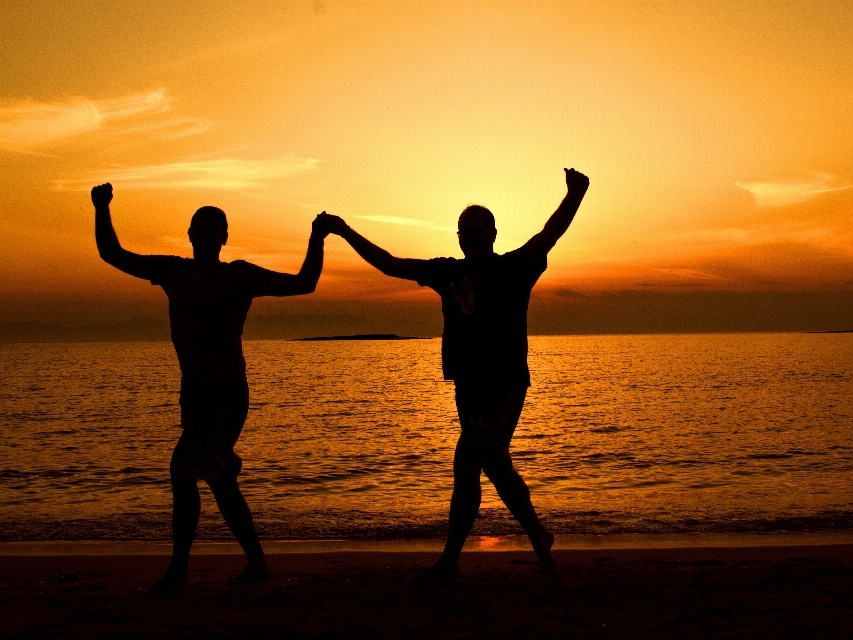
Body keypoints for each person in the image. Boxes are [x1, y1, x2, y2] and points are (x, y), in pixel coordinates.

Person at [321, 167, 589, 580]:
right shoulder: (447, 272)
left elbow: (549, 235)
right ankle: (539, 537)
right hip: (467, 384)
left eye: (478, 231)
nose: (470, 238)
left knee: (467, 462)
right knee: (495, 465)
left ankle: (449, 560)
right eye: (464, 233)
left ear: (493, 234)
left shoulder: (513, 268)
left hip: (503, 382)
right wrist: (343, 231)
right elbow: (390, 264)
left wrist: (575, 194)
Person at [92, 183, 329, 592]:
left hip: (227, 394)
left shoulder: (240, 276)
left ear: (224, 237)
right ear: (188, 234)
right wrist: (101, 208)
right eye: (198, 228)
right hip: (195, 394)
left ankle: (181, 570)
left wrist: (316, 238)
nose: (204, 235)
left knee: (183, 471)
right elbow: (113, 255)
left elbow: (304, 282)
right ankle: (255, 563)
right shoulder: (173, 271)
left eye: (212, 229)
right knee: (217, 478)